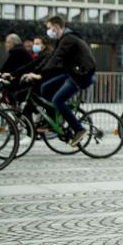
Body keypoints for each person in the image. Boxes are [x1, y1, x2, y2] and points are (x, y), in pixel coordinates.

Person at [20, 15, 96, 147]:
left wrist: (40, 75)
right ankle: (54, 118)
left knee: (57, 100)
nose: (48, 31)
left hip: (81, 75)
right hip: (71, 74)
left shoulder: (69, 39)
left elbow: (57, 59)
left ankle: (79, 129)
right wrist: (37, 73)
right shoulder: (63, 40)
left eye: (49, 28)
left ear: (56, 27)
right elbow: (53, 58)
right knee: (45, 88)